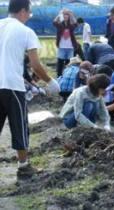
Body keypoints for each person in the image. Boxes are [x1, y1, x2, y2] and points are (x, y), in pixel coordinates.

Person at [0, 0, 60, 178]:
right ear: (23, 11)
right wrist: (50, 81)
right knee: (19, 125)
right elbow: (35, 64)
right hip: (12, 86)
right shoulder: (26, 32)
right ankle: (24, 166)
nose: (28, 17)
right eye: (29, 13)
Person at [53, 9, 78, 77]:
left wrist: (72, 15)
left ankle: (68, 76)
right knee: (60, 63)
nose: (65, 16)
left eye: (67, 14)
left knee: (69, 64)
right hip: (61, 47)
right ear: (62, 15)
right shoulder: (60, 25)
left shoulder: (71, 25)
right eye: (64, 14)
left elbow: (76, 23)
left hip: (70, 47)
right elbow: (54, 22)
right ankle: (59, 77)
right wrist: (59, 15)